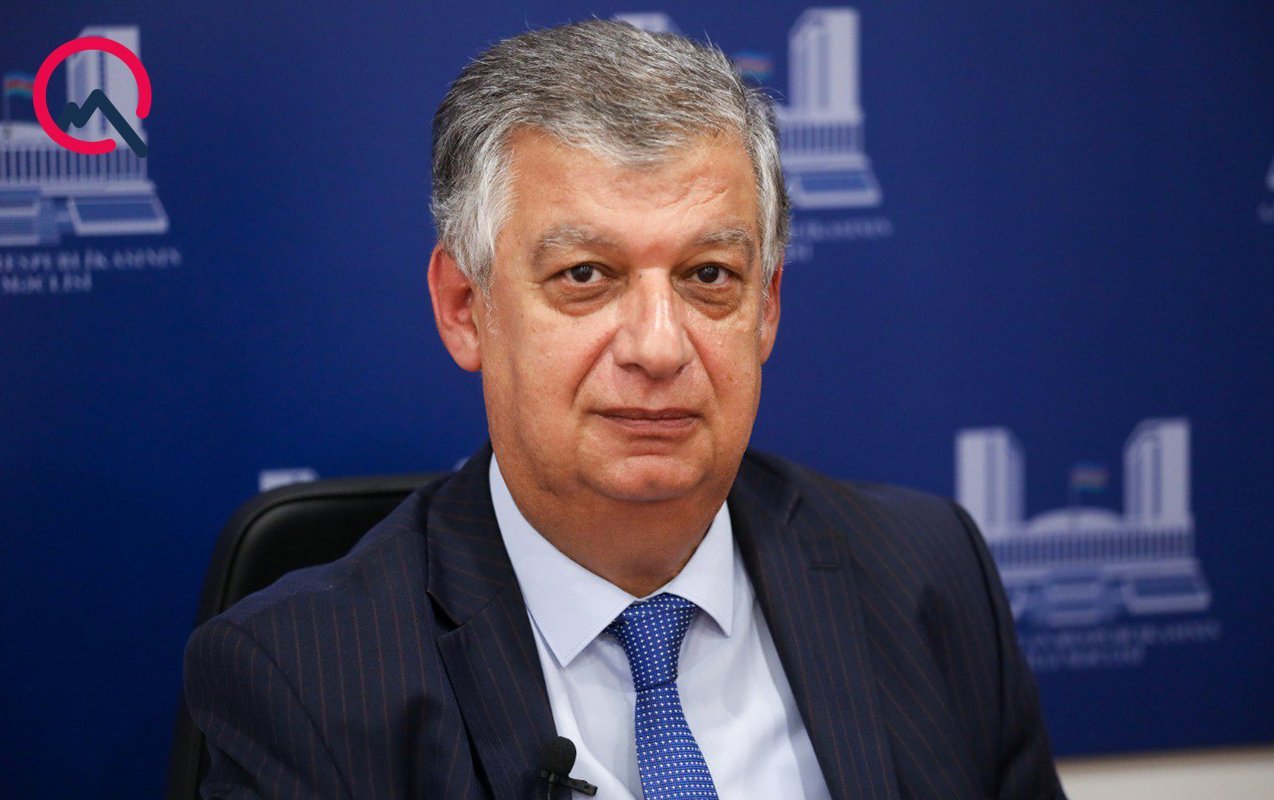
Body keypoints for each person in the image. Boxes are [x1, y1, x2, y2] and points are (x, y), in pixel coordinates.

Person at [185, 19, 1066, 800]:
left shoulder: (927, 577)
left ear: (766, 308)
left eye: (708, 276)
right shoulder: (304, 679)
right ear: (464, 307)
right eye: (586, 276)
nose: (658, 345)